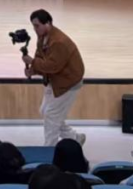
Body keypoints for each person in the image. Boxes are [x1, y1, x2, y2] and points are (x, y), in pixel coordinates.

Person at [22, 9, 86, 146]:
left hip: (67, 82)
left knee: (51, 115)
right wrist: (33, 70)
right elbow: (40, 56)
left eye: (37, 26)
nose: (35, 29)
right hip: (55, 79)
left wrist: (32, 62)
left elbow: (52, 66)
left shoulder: (58, 42)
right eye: (33, 26)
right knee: (46, 112)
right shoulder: (43, 36)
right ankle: (75, 138)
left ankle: (49, 150)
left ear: (48, 23)